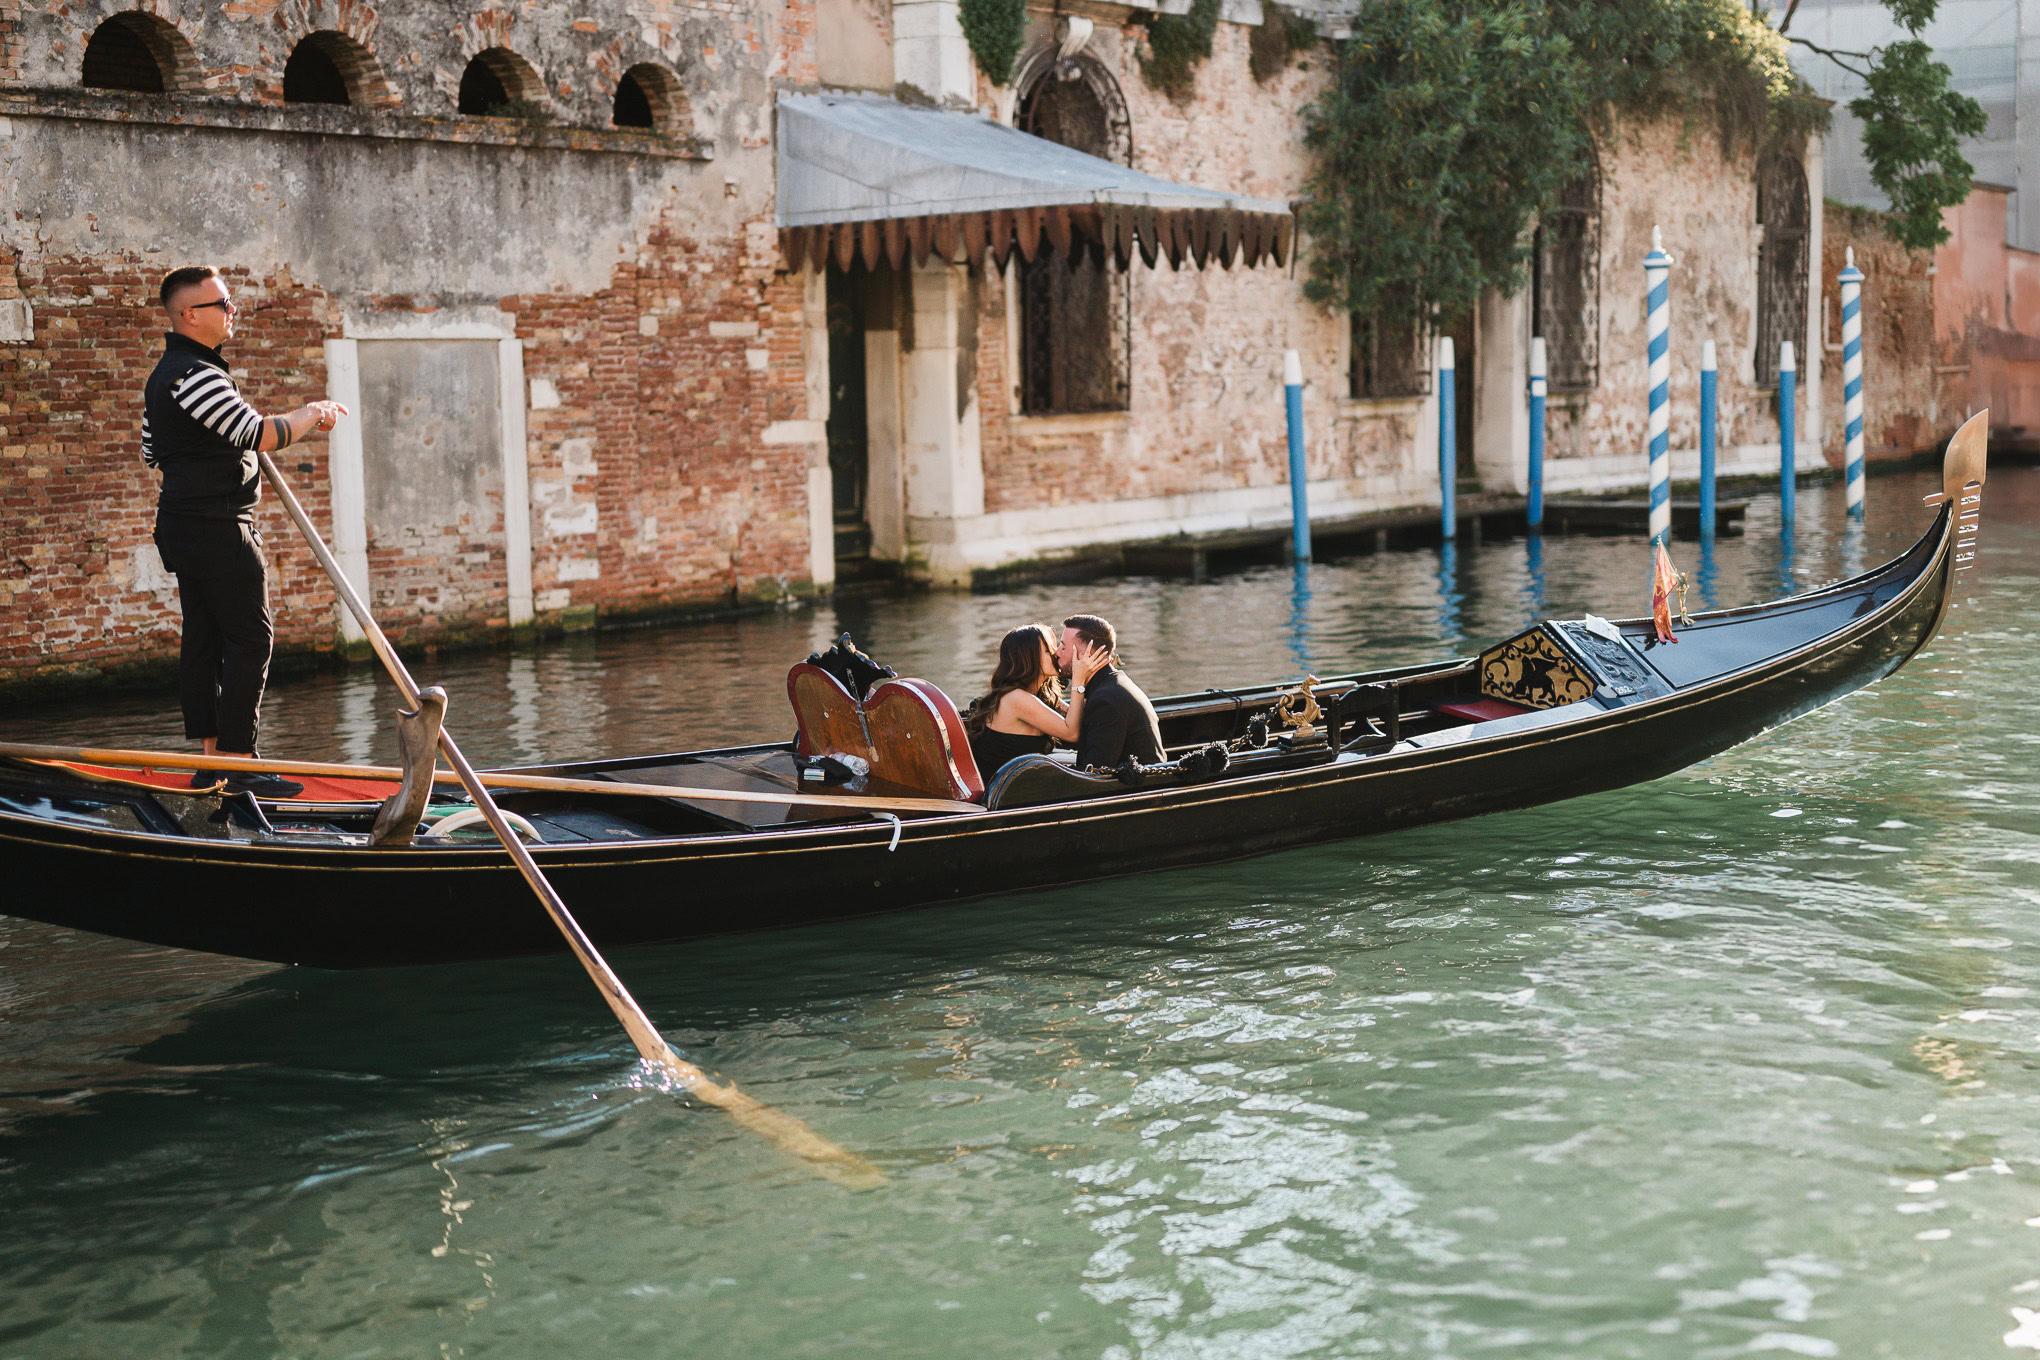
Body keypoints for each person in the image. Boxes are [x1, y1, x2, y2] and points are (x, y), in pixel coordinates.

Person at [144, 265, 348, 798]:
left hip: (185, 525)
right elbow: (257, 433)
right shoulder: (197, 374)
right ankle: (241, 763)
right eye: (223, 303)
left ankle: (213, 761)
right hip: (218, 528)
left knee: (205, 639)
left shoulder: (166, 374)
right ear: (190, 314)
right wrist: (313, 412)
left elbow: (152, 451)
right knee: (251, 639)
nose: (233, 310)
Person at [963, 623, 1108, 778]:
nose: (1056, 654)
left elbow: (1077, 716)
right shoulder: (1016, 699)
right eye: (1048, 650)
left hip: (1019, 783)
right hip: (997, 794)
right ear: (1028, 658)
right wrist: (1078, 681)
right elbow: (1072, 733)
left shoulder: (1040, 694)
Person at [1059, 613, 1165, 772]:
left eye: (1063, 647)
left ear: (1085, 655)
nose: (1056, 652)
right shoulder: (1113, 685)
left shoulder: (1106, 701)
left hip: (1138, 792)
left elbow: (1094, 774)